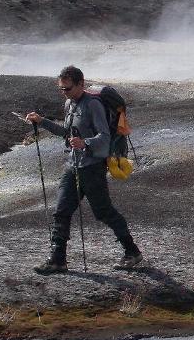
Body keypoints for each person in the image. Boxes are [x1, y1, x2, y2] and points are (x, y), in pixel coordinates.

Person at [25, 65, 143, 274]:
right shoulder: (69, 103)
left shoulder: (94, 105)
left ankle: (132, 252)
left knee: (103, 211)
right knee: (61, 211)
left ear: (81, 83)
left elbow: (104, 137)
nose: (64, 93)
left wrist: (85, 143)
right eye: (61, 89)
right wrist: (41, 122)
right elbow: (67, 133)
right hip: (73, 165)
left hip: (92, 168)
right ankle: (57, 260)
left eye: (67, 88)